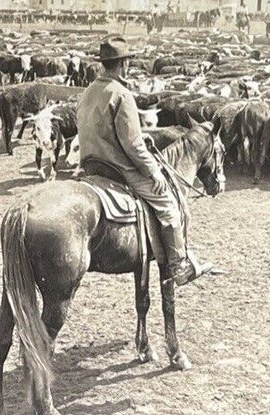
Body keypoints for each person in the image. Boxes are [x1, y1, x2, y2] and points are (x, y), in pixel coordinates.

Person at [76, 38, 197, 286]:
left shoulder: (87, 92)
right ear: (123, 64)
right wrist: (153, 172)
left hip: (90, 165)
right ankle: (178, 264)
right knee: (168, 204)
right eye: (127, 61)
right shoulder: (121, 94)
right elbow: (132, 144)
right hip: (118, 168)